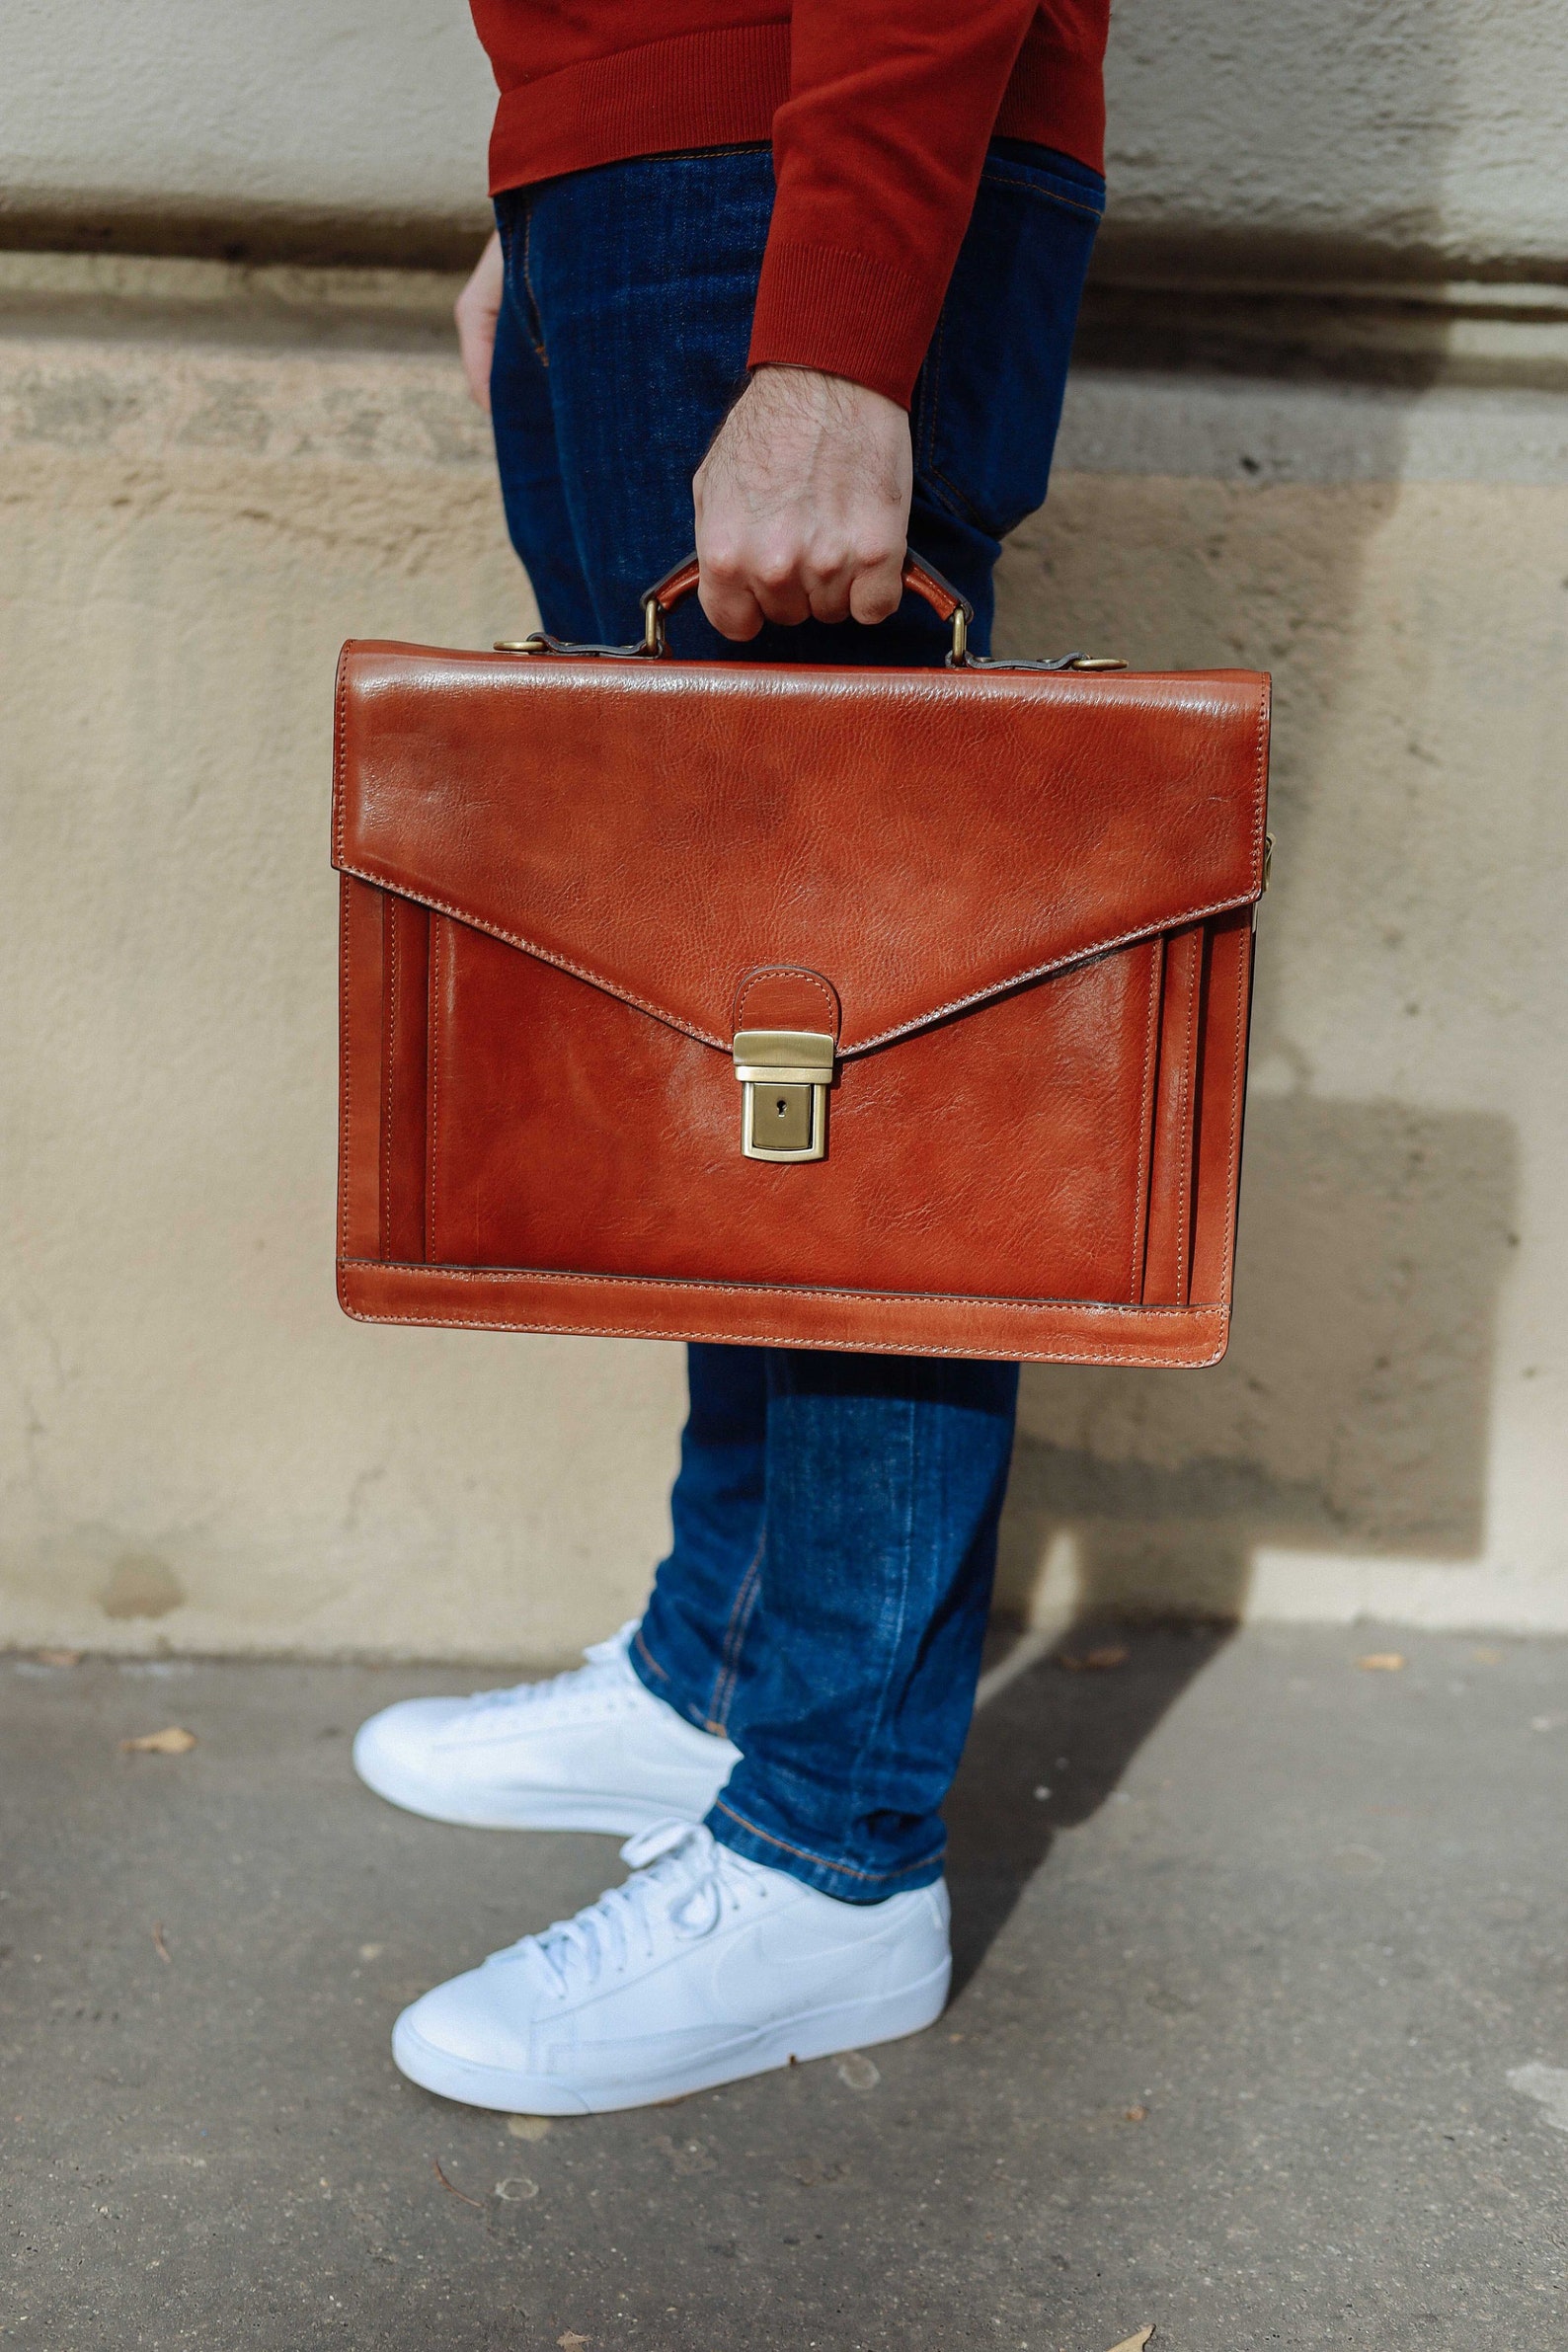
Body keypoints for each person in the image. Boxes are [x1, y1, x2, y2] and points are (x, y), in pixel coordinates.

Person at [353, 0, 1109, 2116]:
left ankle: (829, 1849)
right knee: (724, 1025)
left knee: (849, 1062)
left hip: (794, 175)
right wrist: (555, 174)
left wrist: (841, 321)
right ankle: (718, 1665)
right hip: (655, 180)